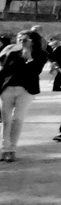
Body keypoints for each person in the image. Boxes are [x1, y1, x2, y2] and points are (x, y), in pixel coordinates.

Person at [0, 29, 48, 161]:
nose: (20, 41)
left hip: (26, 90)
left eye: (24, 39)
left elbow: (35, 72)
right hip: (8, 88)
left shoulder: (41, 54)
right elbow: (3, 72)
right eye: (19, 39)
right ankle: (4, 148)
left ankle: (12, 149)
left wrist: (29, 57)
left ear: (33, 41)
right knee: (6, 120)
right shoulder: (11, 51)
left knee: (18, 119)